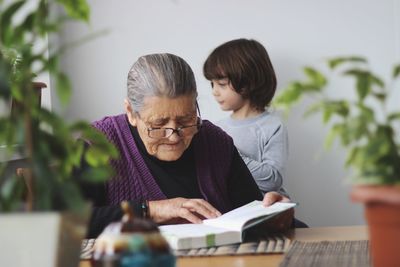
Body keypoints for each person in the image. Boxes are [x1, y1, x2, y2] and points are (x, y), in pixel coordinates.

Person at [82, 53, 293, 238]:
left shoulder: (214, 141)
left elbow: (251, 215)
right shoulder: (99, 144)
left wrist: (274, 215)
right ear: (131, 113)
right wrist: (149, 210)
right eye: (158, 124)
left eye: (186, 120)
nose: (174, 137)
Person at [203, 38, 289, 197]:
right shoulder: (216, 129)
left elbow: (273, 180)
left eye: (221, 84)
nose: (214, 91)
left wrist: (228, 152)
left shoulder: (272, 127)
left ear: (247, 83)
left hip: (263, 210)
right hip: (228, 214)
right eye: (212, 84)